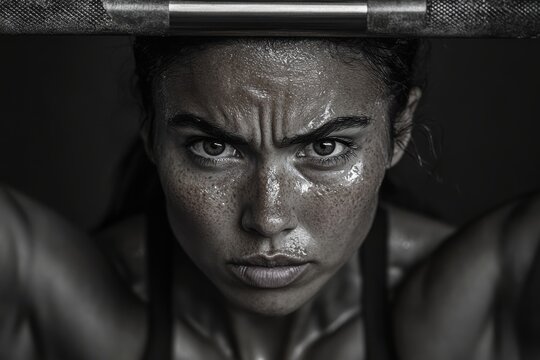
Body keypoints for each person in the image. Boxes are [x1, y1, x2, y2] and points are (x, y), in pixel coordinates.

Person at [0, 36, 538, 360]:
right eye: (213, 147)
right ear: (151, 131)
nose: (269, 218)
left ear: (398, 133)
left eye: (325, 147)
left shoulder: (483, 305)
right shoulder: (63, 303)